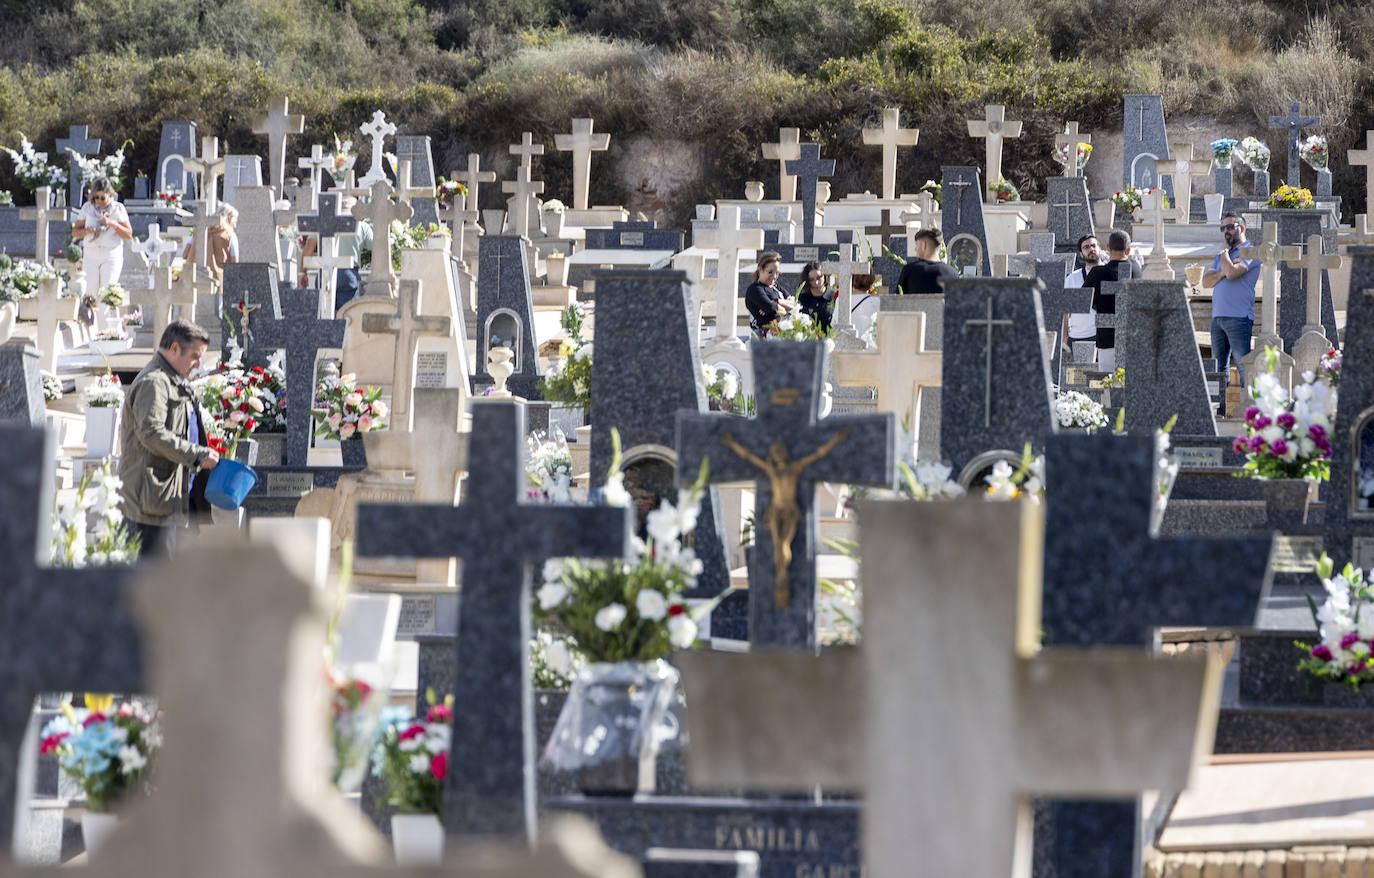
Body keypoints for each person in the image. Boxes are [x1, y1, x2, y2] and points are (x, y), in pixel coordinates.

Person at [117, 319, 220, 559]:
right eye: (195, 356)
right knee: (154, 581)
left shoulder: (174, 381)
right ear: (174, 348)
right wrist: (196, 454)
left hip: (171, 499)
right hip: (152, 504)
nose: (198, 364)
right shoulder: (154, 382)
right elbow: (151, 432)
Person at [1202, 212, 1261, 416]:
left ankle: (1250, 412)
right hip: (1217, 318)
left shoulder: (1250, 251)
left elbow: (1234, 273)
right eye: (1223, 228)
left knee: (1243, 365)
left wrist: (1225, 255)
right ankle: (1218, 411)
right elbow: (1206, 281)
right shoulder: (1222, 255)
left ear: (1241, 228)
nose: (1226, 231)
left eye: (1230, 226)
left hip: (1238, 318)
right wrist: (1224, 270)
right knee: (1218, 369)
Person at [299, 194, 373, 312]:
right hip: (348, 275)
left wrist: (302, 274)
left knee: (323, 315)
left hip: (324, 272)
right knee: (347, 317)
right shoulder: (361, 225)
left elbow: (309, 248)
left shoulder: (323, 222)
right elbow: (376, 248)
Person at [1084, 230, 1140, 373]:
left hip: (1107, 338)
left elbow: (1084, 301)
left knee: (1108, 386)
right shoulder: (1135, 269)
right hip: (1132, 338)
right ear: (1128, 250)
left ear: (1107, 248)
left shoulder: (1097, 273)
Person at [72, 177, 134, 292]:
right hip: (91, 254)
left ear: (110, 195)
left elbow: (128, 234)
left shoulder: (118, 208)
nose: (99, 201)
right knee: (90, 293)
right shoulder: (87, 208)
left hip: (110, 254)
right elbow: (75, 232)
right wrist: (86, 231)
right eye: (96, 197)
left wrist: (112, 223)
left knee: (106, 292)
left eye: (102, 198)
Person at [1064, 234, 1104, 357]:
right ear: (1081, 254)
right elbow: (1065, 309)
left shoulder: (1110, 274)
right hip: (1076, 336)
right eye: (1086, 247)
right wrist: (1065, 335)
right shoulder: (1073, 278)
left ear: (1100, 249)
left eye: (1093, 245)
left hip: (1101, 335)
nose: (1091, 249)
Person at [182, 202, 240, 286]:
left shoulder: (199, 231)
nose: (235, 226)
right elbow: (234, 264)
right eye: (235, 222)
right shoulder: (230, 236)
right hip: (218, 281)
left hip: (192, 280)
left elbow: (185, 255)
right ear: (229, 218)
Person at [744, 251, 794, 337]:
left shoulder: (777, 288)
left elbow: (793, 303)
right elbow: (770, 307)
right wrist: (786, 308)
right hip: (764, 337)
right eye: (770, 272)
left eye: (777, 273)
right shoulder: (755, 289)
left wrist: (777, 302)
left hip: (783, 334)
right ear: (760, 269)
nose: (774, 276)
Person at [897, 227, 958, 294]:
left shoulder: (910, 270)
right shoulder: (952, 272)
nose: (915, 249)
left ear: (924, 245)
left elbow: (899, 299)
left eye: (916, 245)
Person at [794, 261, 833, 334]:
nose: (816, 282)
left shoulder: (834, 297)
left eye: (819, 277)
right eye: (812, 280)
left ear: (824, 276)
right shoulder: (802, 299)